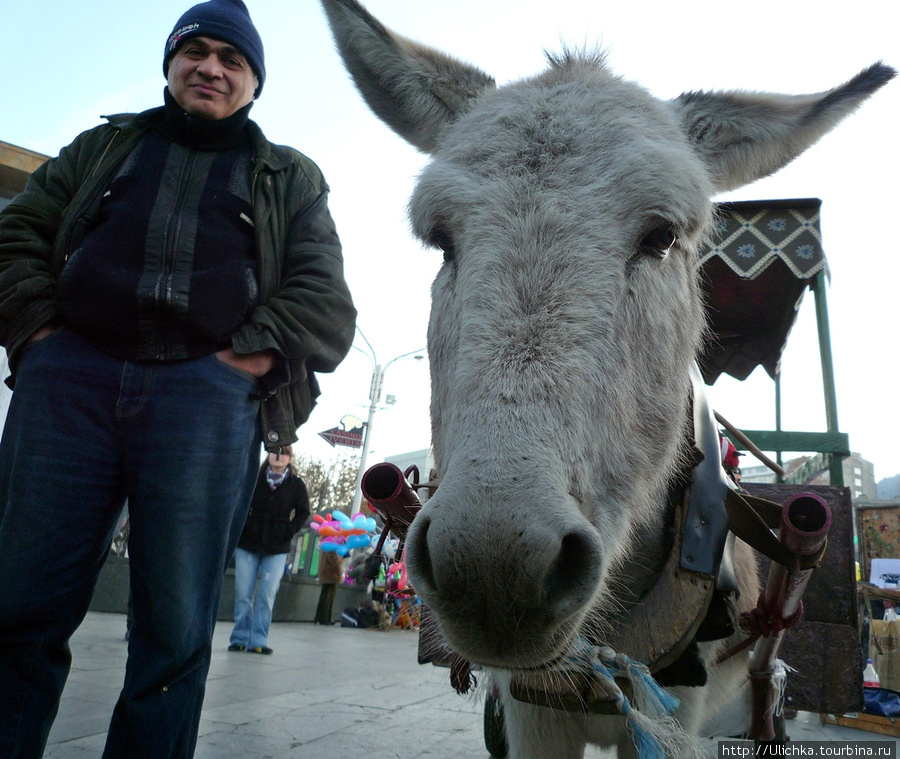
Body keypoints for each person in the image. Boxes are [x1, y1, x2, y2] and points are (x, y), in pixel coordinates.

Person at [0, 0, 356, 756]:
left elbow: (325, 302)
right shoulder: (103, 147)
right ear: (169, 63)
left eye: (233, 59)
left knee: (175, 631)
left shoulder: (289, 177)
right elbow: (16, 236)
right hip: (71, 384)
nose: (211, 68)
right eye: (195, 51)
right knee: (18, 607)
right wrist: (38, 333)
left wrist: (244, 360)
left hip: (204, 398)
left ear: (254, 82)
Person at [229, 447, 309, 653]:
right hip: (248, 543)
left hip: (277, 547)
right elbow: (239, 503)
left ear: (290, 458)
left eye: (283, 453)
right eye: (274, 452)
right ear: (268, 455)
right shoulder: (254, 479)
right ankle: (239, 638)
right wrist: (244, 525)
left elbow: (303, 511)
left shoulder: (296, 485)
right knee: (243, 594)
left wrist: (289, 530)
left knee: (266, 594)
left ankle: (258, 641)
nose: (278, 456)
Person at [314, 547, 346, 625]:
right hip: (331, 573)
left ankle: (321, 618)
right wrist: (340, 570)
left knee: (325, 595)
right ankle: (324, 618)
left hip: (326, 572)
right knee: (328, 597)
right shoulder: (332, 544)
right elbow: (334, 560)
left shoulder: (327, 542)